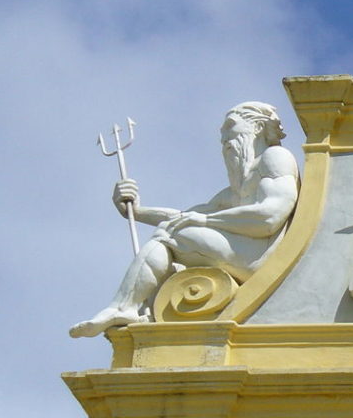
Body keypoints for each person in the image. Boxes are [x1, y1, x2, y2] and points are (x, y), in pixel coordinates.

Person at [70, 102, 299, 337]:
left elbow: (269, 217)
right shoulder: (236, 190)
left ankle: (123, 306)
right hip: (243, 251)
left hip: (260, 254)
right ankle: (125, 307)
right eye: (221, 134)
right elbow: (185, 216)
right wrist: (137, 211)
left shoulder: (275, 157)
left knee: (174, 234)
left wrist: (204, 221)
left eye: (230, 126)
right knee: (172, 230)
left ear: (259, 127)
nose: (223, 139)